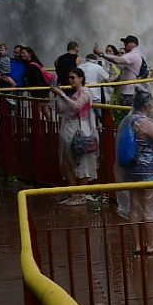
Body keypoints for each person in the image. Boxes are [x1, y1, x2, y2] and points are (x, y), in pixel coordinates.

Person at [119, 87, 153, 255]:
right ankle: (150, 244)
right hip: (148, 169)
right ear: (147, 105)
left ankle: (137, 245)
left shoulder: (127, 120)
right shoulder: (143, 121)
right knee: (149, 208)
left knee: (134, 206)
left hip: (131, 168)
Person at [54, 68, 101, 205]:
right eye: (69, 78)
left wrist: (62, 94)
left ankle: (81, 195)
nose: (70, 80)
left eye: (73, 77)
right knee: (67, 163)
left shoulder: (85, 92)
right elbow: (60, 110)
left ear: (81, 78)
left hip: (80, 129)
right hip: (68, 128)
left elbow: (76, 106)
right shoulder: (73, 93)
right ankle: (74, 194)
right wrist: (58, 96)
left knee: (83, 163)